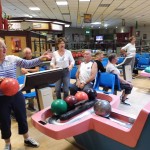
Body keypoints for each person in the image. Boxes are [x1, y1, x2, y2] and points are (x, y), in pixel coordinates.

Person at [0, 38, 52, 150]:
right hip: (2, 97)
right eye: (1, 46)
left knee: (22, 117)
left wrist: (41, 58)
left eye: (5, 46)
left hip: (16, 94)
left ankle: (27, 138)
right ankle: (7, 144)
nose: (4, 48)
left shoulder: (12, 59)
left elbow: (28, 63)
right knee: (4, 120)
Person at [21, 47, 39, 111]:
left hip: (35, 76)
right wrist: (27, 72)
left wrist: (28, 70)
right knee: (28, 90)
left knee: (37, 90)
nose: (28, 54)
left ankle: (39, 103)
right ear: (25, 54)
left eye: (29, 53)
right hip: (27, 77)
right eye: (27, 53)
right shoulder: (23, 60)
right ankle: (31, 106)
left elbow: (37, 69)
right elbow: (22, 70)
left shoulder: (35, 59)